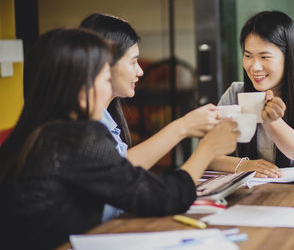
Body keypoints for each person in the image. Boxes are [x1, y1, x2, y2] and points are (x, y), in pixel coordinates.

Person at [0, 28, 239, 250]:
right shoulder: (76, 138)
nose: (108, 95)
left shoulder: (31, 134)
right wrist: (207, 150)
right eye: (105, 80)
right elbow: (161, 198)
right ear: (81, 90)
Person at [80, 13, 222, 221]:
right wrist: (188, 133)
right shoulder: (83, 128)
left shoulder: (106, 118)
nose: (140, 71)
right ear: (104, 64)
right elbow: (127, 178)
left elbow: (123, 171)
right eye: (133, 61)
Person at [208, 10, 294, 178]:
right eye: (248, 56)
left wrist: (270, 121)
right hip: (252, 194)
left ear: (288, 58)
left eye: (265, 57)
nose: (255, 67)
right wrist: (244, 165)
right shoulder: (235, 93)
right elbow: (208, 152)